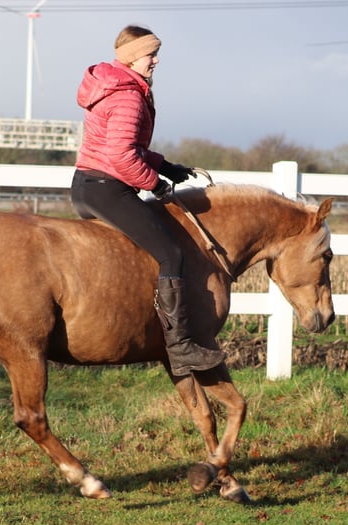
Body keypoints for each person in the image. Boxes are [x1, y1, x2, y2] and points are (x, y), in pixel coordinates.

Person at [70, 24, 226, 376]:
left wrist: (165, 165)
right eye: (150, 55)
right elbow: (123, 157)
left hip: (87, 184)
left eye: (156, 54)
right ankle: (181, 347)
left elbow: (129, 148)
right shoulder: (128, 96)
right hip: (108, 187)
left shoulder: (113, 85)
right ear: (131, 57)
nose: (156, 61)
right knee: (171, 253)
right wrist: (155, 184)